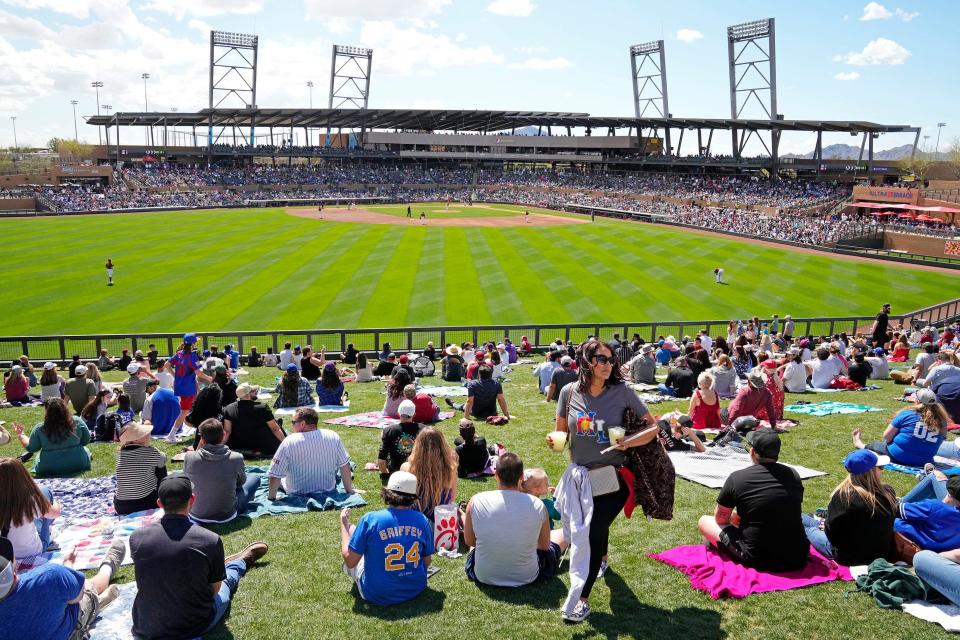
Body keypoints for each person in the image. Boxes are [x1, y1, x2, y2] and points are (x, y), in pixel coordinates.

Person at [551, 339, 657, 623]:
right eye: (602, 359)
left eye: (611, 359)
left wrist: (628, 443)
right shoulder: (568, 392)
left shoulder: (622, 391)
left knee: (593, 530)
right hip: (581, 478)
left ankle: (581, 598)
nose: (609, 364)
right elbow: (560, 432)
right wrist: (555, 442)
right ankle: (604, 559)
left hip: (615, 477)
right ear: (586, 361)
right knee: (597, 526)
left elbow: (653, 427)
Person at [129, 474, 269, 639]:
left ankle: (219, 566)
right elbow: (215, 590)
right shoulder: (209, 540)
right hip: (195, 624)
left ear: (159, 503)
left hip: (146, 626)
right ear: (192, 500)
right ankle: (239, 562)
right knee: (226, 581)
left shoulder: (137, 537)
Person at [698, 429, 808, 572]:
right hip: (797, 555)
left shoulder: (737, 478)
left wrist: (735, 517)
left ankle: (720, 546)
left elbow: (720, 519)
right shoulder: (793, 475)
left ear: (752, 451)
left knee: (705, 521)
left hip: (758, 556)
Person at [464, 452, 567, 588]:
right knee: (566, 532)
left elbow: (470, 542)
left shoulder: (476, 500)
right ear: (521, 477)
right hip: (527, 576)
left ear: (496, 475)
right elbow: (544, 546)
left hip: (483, 575)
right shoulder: (537, 505)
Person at [0, 531, 126, 640]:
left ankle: (100, 600)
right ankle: (108, 567)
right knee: (89, 587)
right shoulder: (49, 576)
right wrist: (68, 566)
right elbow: (78, 595)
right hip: (70, 631)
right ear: (13, 568)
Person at [339, 471, 434, 606]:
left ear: (388, 492)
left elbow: (350, 561)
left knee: (352, 532)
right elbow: (427, 561)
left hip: (376, 593)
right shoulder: (422, 519)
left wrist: (343, 523)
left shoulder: (371, 519)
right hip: (415, 588)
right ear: (413, 497)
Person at [801, 449, 896, 565]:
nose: (882, 470)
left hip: (849, 557)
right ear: (871, 471)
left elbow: (832, 535)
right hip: (880, 554)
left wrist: (825, 526)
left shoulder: (843, 497)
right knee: (809, 521)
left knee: (808, 528)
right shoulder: (888, 493)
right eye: (880, 467)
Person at [267, 407, 359, 499]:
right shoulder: (333, 436)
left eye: (293, 422)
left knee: (272, 474)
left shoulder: (289, 441)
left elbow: (275, 473)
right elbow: (344, 465)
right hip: (328, 489)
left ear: (302, 424)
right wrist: (349, 490)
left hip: (296, 492)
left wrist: (271, 498)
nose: (292, 425)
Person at [184, 418, 262, 523]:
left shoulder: (189, 457)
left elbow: (187, 481)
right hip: (226, 515)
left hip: (196, 514)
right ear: (224, 435)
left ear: (202, 439)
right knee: (254, 477)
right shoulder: (236, 458)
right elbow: (241, 483)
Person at [853, 388, 950, 468]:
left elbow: (887, 437)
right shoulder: (942, 420)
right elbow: (940, 441)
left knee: (876, 445)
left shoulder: (908, 414)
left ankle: (860, 444)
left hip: (898, 456)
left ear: (918, 401)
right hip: (924, 461)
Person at [0, 457, 61, 559]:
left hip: (4, 557)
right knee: (45, 492)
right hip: (31, 552)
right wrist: (55, 502)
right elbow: (56, 513)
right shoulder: (30, 500)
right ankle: (48, 531)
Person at [11, 399, 91, 476]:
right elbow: (86, 441)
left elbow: (31, 448)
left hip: (49, 467)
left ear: (47, 411)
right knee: (86, 450)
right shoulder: (77, 421)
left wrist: (21, 434)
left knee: (38, 456)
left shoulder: (40, 428)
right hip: (78, 463)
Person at [401, 427, 458, 522]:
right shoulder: (451, 469)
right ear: (442, 446)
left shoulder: (406, 468)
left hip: (415, 523)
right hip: (441, 523)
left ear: (418, 445)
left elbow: (403, 502)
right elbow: (452, 497)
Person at [895, 474, 960, 552]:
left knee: (893, 519)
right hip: (938, 552)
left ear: (949, 493)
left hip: (910, 541)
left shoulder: (934, 507)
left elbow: (896, 510)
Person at [114, 422, 168, 515]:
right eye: (144, 434)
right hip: (145, 503)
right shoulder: (151, 452)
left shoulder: (120, 454)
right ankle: (163, 494)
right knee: (160, 468)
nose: (148, 435)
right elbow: (164, 458)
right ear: (135, 440)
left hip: (121, 506)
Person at [222, 382, 286, 457]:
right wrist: (286, 444)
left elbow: (227, 431)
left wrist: (220, 446)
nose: (255, 392)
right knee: (276, 424)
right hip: (263, 446)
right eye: (252, 391)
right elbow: (275, 429)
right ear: (247, 395)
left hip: (239, 444)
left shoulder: (228, 408)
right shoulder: (262, 408)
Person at [169, 333, 202, 436]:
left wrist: (175, 375)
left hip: (180, 386)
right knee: (184, 412)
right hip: (188, 388)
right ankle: (171, 436)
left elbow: (167, 365)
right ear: (193, 344)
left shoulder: (179, 353)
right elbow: (198, 373)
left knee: (184, 410)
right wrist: (209, 378)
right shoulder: (193, 356)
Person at [378, 400, 423, 475]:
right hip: (419, 471)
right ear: (414, 414)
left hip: (396, 471)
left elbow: (381, 461)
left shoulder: (388, 431)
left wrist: (385, 473)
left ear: (398, 413)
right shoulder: (425, 430)